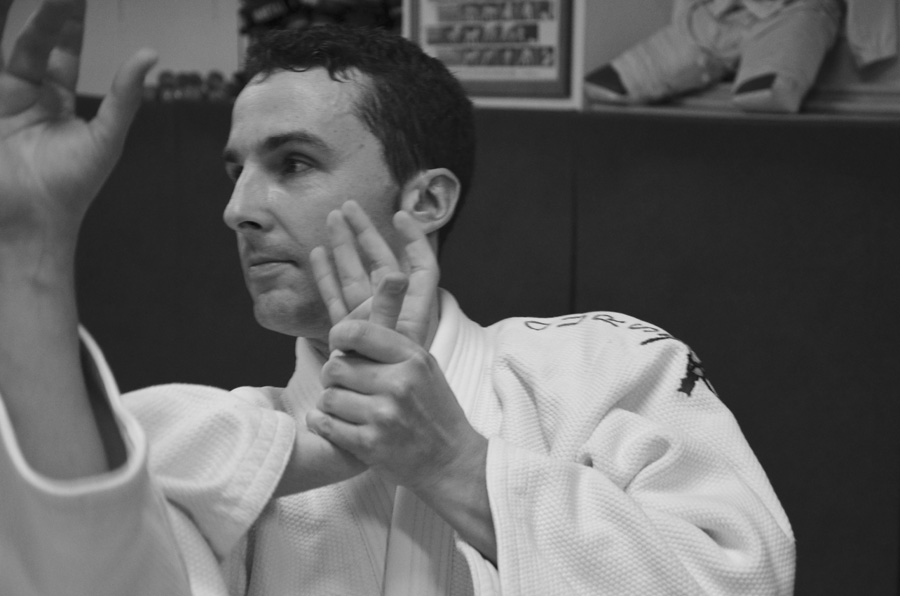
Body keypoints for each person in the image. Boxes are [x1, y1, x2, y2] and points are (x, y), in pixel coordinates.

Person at [0, 0, 795, 594]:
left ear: (426, 201)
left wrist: (454, 463)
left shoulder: (602, 370)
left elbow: (741, 578)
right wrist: (29, 253)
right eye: (235, 171)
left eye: (293, 163)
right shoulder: (232, 462)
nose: (238, 208)